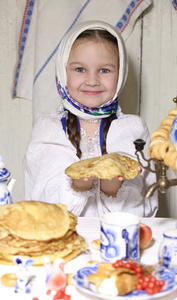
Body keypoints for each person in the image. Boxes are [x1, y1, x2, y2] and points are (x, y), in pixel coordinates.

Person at [23, 20, 158, 217]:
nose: (92, 80)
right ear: (63, 71)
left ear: (120, 74)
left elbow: (148, 211)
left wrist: (112, 190)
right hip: (59, 245)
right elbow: (41, 211)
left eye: (105, 70)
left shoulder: (133, 129)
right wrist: (77, 185)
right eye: (80, 69)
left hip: (117, 244)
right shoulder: (48, 129)